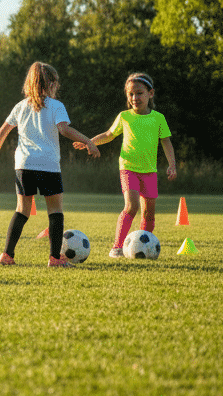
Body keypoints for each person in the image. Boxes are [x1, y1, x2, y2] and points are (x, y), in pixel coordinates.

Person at [0, 62, 99, 267]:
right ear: (53, 84)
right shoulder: (56, 106)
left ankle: (6, 255)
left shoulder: (20, 106)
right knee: (55, 211)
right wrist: (88, 141)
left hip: (24, 164)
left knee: (22, 210)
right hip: (48, 165)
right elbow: (64, 130)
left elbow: (3, 130)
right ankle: (55, 259)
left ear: (29, 83)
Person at [75, 73, 176, 258]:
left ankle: (146, 247)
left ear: (150, 94)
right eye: (130, 94)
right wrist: (90, 142)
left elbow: (166, 142)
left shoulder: (158, 118)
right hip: (128, 168)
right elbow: (109, 134)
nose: (134, 98)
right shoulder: (124, 117)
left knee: (149, 214)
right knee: (131, 206)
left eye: (139, 93)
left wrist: (172, 165)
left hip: (149, 171)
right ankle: (117, 247)